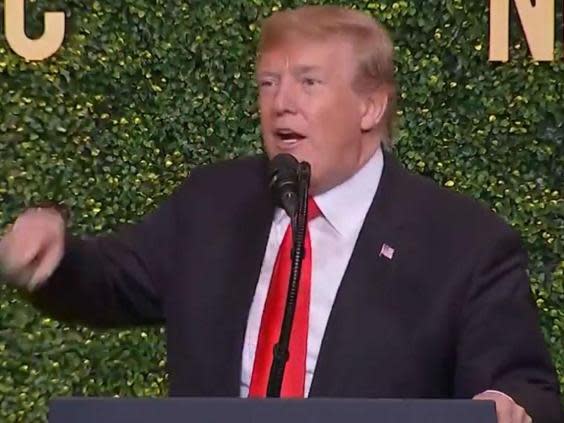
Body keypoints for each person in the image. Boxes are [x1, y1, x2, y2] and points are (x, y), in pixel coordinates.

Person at [0, 5, 560, 423]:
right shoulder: (214, 204)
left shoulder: (463, 243)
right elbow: (115, 281)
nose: (281, 102)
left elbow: (524, 386)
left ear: (370, 106)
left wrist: (504, 406)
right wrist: (55, 261)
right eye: (269, 83)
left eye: (308, 83)